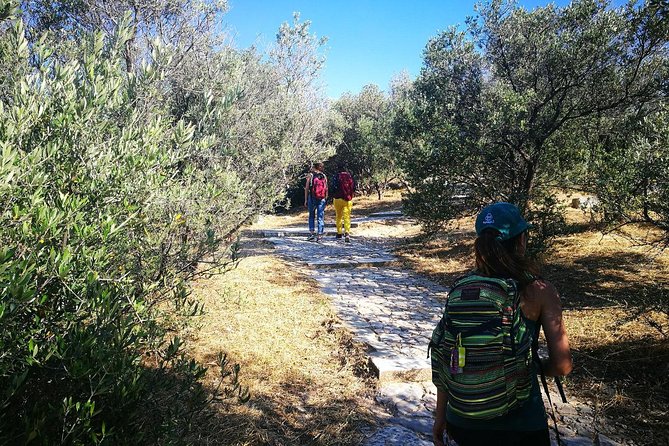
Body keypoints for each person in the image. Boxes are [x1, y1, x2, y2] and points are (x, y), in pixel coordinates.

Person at [431, 202, 573, 446]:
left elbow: (450, 355)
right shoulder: (540, 291)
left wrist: (440, 415)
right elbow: (562, 366)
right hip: (520, 424)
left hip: (463, 420)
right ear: (521, 241)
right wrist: (524, 366)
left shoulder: (464, 289)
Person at [331, 165, 356, 243]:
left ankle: (339, 233)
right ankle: (347, 233)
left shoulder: (336, 176)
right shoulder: (349, 176)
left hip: (337, 199)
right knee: (347, 216)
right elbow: (354, 187)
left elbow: (333, 187)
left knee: (338, 216)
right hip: (347, 199)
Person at [304, 162, 328, 242]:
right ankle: (320, 235)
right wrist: (325, 198)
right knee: (320, 217)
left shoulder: (310, 176)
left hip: (312, 197)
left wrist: (306, 199)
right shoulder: (324, 176)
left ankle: (312, 234)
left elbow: (307, 188)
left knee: (311, 215)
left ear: (314, 167)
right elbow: (326, 188)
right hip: (322, 198)